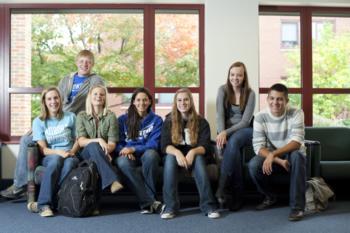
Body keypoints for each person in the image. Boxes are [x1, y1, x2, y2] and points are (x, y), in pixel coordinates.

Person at [0, 50, 104, 199]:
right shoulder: (66, 79)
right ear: (76, 62)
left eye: (88, 61)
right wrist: (41, 121)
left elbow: (97, 100)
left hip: (74, 120)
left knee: (62, 150)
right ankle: (20, 184)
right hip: (54, 118)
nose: (84, 64)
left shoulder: (95, 81)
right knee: (26, 139)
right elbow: (54, 100)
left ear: (92, 64)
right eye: (81, 61)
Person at [248, 83, 306, 221]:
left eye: (280, 99)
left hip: (291, 152)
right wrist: (275, 158)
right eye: (272, 98)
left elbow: (296, 142)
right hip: (272, 156)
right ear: (267, 99)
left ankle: (297, 208)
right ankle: (270, 196)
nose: (275, 102)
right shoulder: (260, 117)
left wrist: (273, 154)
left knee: (298, 156)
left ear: (286, 101)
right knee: (253, 165)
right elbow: (258, 147)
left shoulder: (297, 113)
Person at [160, 88, 220, 219]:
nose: (183, 103)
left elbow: (206, 146)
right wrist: (177, 153)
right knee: (170, 158)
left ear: (191, 101)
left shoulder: (202, 122)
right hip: (175, 156)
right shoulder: (168, 121)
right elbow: (164, 146)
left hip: (196, 156)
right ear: (176, 103)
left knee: (198, 159)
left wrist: (192, 152)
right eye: (179, 100)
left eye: (186, 99)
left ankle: (209, 206)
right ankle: (170, 207)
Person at [28, 87, 80, 217]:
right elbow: (44, 149)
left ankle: (42, 203)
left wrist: (72, 152)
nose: (53, 101)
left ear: (60, 100)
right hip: (50, 155)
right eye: (49, 99)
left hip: (70, 154)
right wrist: (59, 153)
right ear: (44, 102)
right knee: (56, 160)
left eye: (56, 98)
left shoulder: (71, 117)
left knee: (69, 164)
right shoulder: (38, 121)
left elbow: (78, 140)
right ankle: (45, 204)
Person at [215, 61, 255, 211]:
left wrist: (226, 132)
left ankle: (222, 187)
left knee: (235, 139)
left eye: (239, 75)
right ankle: (238, 197)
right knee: (234, 149)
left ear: (244, 77)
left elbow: (245, 122)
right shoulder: (222, 90)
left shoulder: (250, 93)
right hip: (227, 132)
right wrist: (221, 132)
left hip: (246, 131)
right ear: (229, 75)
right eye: (232, 74)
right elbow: (219, 116)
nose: (235, 78)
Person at [116, 87, 163, 214]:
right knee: (122, 163)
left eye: (145, 100)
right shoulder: (122, 120)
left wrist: (134, 149)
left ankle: (148, 202)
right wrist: (125, 150)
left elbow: (154, 144)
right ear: (133, 102)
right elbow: (117, 142)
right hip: (126, 154)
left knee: (151, 155)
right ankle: (150, 202)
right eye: (138, 100)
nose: (141, 103)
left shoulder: (157, 120)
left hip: (146, 152)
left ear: (150, 102)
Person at [76, 84, 123, 198]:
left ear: (105, 98)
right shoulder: (81, 116)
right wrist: (99, 140)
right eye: (95, 94)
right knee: (93, 146)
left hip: (105, 153)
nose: (99, 96)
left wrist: (104, 151)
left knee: (95, 159)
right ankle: (112, 181)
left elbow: (112, 144)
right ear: (90, 97)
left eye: (102, 94)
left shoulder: (111, 116)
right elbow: (81, 141)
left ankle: (94, 204)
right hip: (85, 154)